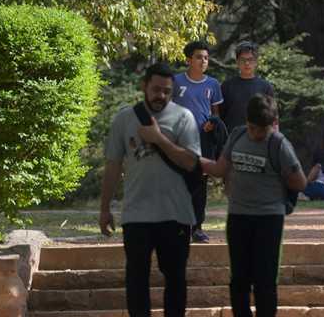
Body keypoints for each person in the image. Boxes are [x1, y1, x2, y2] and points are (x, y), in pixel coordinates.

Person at [99, 63, 201, 317]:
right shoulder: (124, 118)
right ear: (144, 86)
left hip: (176, 214)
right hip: (136, 215)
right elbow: (113, 166)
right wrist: (104, 209)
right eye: (156, 90)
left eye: (167, 91)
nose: (161, 96)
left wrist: (158, 139)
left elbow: (190, 162)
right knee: (136, 281)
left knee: (176, 280)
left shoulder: (183, 117)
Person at [201, 94, 307, 317]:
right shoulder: (238, 134)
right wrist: (194, 159)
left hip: (269, 218)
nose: (257, 134)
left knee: (265, 280)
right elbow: (220, 169)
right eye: (253, 128)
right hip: (238, 216)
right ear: (246, 121)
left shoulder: (279, 144)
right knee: (239, 279)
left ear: (273, 124)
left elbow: (300, 182)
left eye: (262, 130)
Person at [172, 40, 224, 243]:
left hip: (203, 140)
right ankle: (179, 228)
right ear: (188, 60)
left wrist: (213, 123)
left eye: (206, 58)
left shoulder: (213, 84)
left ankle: (197, 228)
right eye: (198, 57)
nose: (203, 61)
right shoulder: (176, 82)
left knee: (200, 185)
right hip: (180, 140)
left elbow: (216, 113)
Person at [221, 41, 275, 133]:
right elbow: (221, 116)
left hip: (259, 139)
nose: (247, 63)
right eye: (243, 60)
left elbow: (272, 118)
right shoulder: (226, 86)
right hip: (233, 140)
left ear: (256, 62)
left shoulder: (266, 87)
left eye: (250, 59)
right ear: (237, 62)